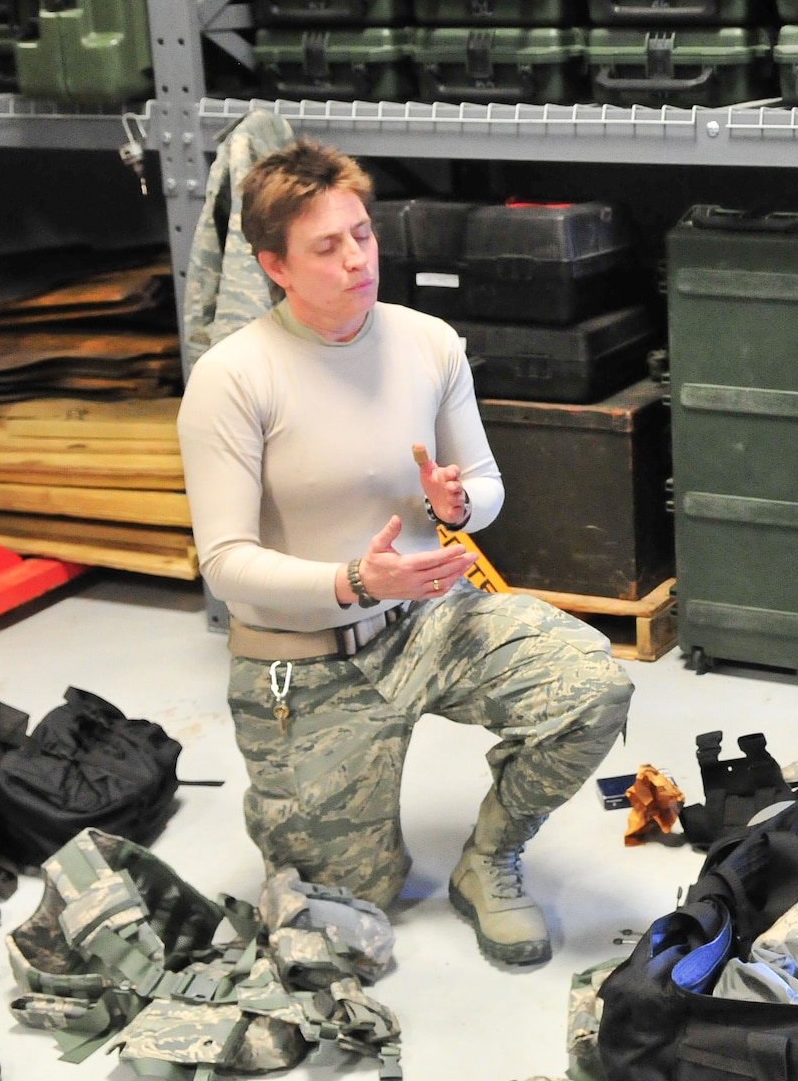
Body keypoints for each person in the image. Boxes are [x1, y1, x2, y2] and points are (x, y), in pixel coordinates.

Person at [177, 139, 634, 967]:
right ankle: (332, 839)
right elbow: (226, 564)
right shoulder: (233, 377)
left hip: (429, 618)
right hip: (304, 657)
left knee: (591, 688)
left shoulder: (428, 342)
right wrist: (354, 580)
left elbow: (487, 489)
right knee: (351, 909)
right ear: (275, 265)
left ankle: (489, 861)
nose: (357, 259)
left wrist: (458, 502)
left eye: (363, 233)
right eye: (327, 246)